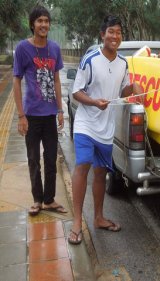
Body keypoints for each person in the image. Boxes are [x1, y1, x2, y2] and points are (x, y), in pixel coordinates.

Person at [68, 15, 142, 245]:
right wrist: (93, 102)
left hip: (106, 128)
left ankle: (99, 217)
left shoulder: (122, 63)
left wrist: (134, 87)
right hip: (86, 123)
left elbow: (122, 92)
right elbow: (76, 92)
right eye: (111, 31)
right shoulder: (90, 59)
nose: (115, 36)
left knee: (100, 173)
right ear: (103, 35)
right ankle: (77, 222)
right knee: (82, 167)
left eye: (118, 32)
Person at [13, 5, 66, 216]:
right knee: (34, 159)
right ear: (32, 24)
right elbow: (16, 82)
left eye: (46, 21)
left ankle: (49, 199)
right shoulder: (23, 49)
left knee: (51, 159)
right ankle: (37, 200)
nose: (43, 24)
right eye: (39, 21)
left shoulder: (54, 48)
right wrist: (20, 115)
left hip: (50, 114)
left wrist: (61, 110)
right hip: (32, 115)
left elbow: (56, 79)